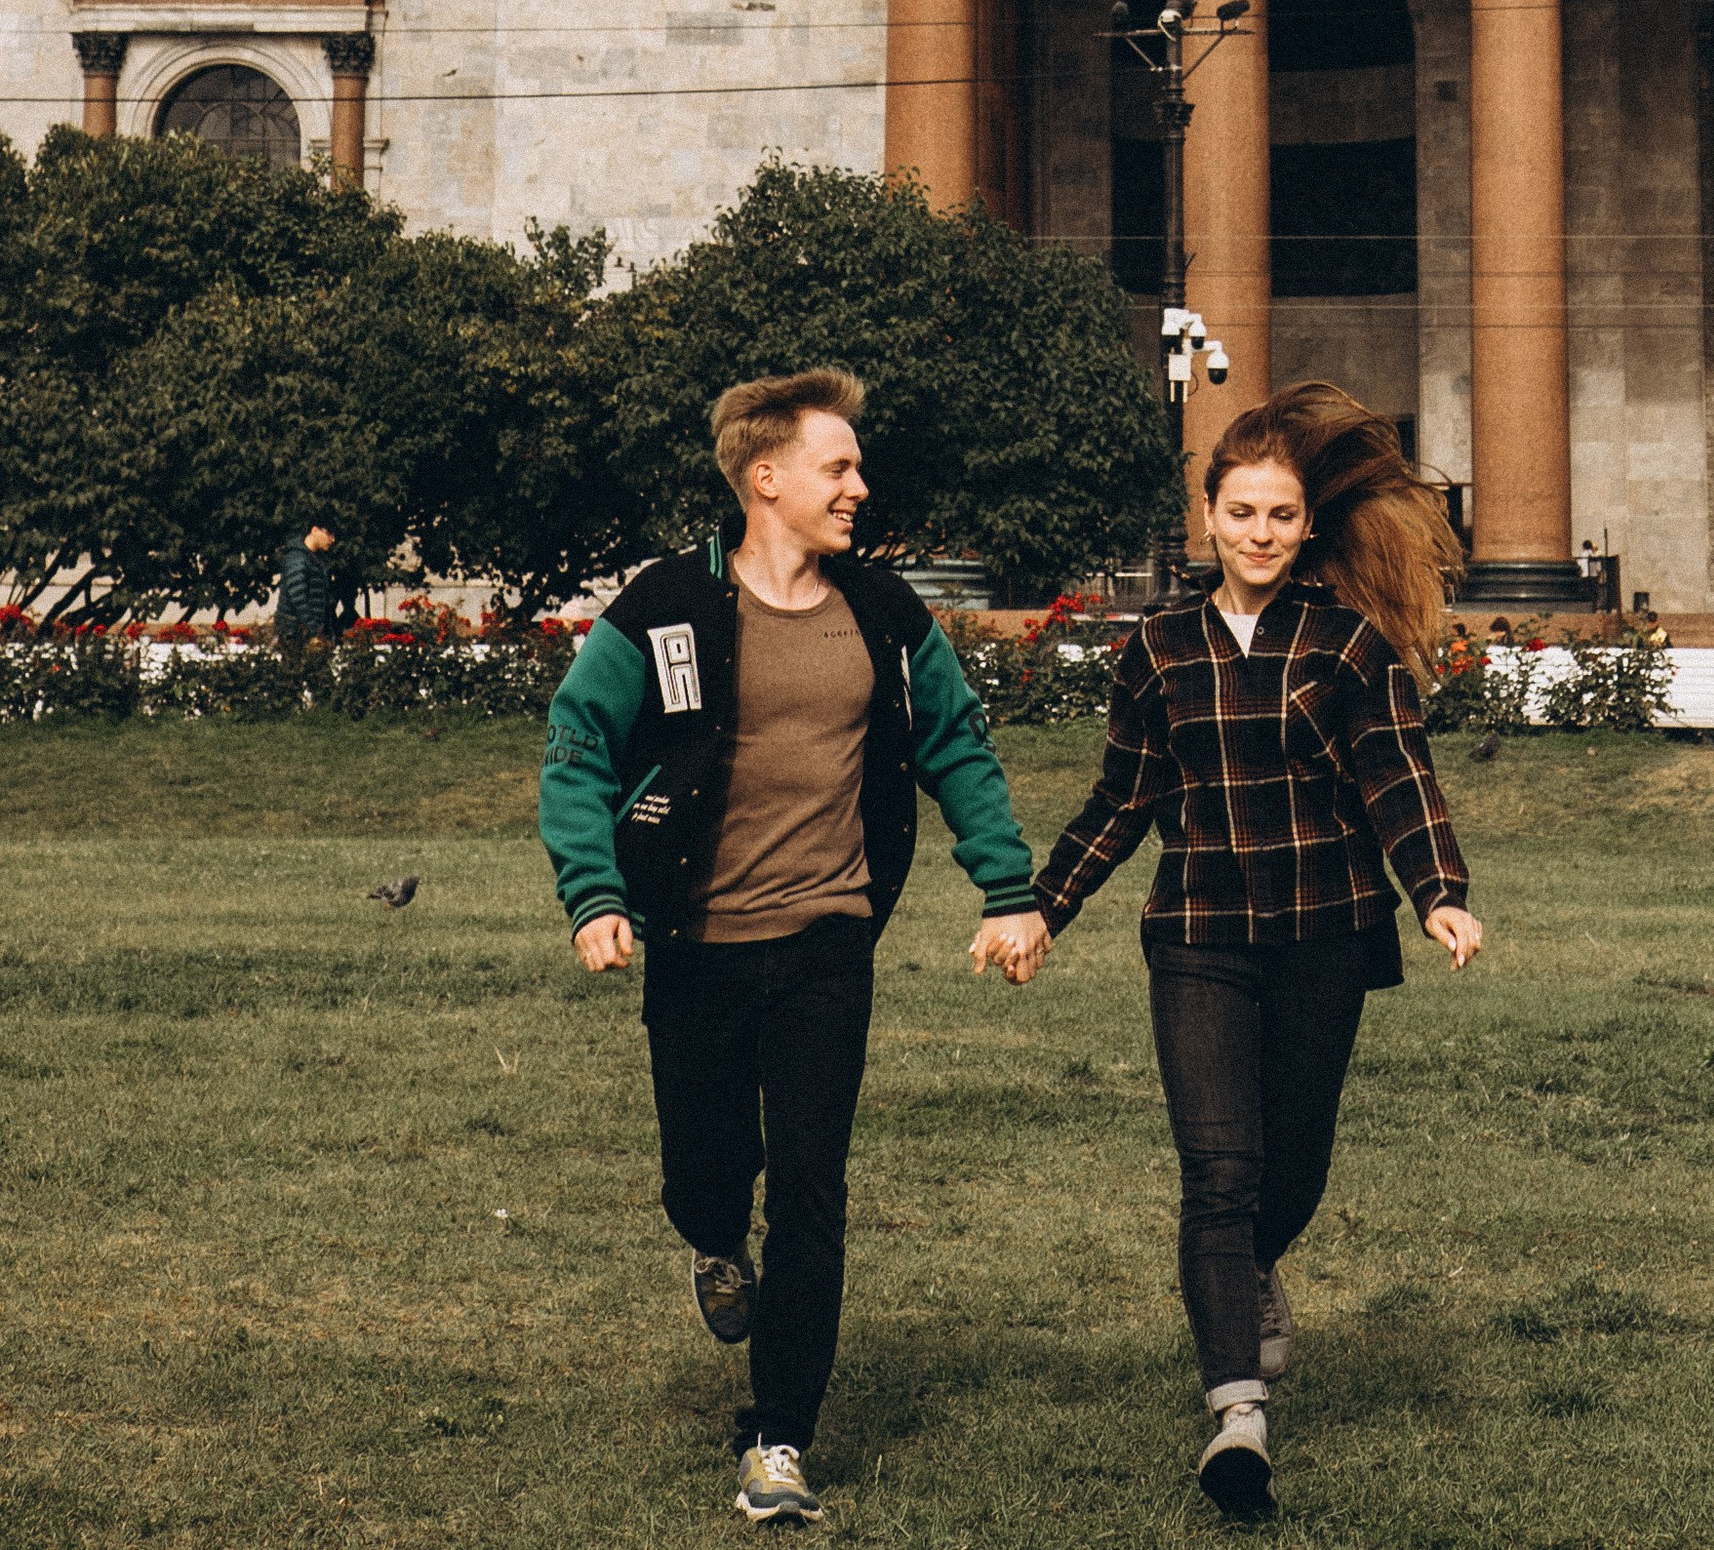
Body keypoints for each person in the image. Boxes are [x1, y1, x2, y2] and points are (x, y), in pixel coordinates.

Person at [538, 368, 1045, 1529]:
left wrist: (1007, 888)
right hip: (698, 946)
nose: (859, 487)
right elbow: (577, 751)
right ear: (765, 479)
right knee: (707, 1176)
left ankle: (779, 1438)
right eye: (839, 466)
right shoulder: (664, 607)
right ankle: (714, 1243)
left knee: (813, 1188)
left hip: (827, 940)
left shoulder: (884, 614)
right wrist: (595, 894)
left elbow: (956, 744)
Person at [1017, 385, 1481, 1524]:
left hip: (1327, 935)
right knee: (1217, 1175)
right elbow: (1120, 801)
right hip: (1200, 942)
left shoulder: (1348, 647)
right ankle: (1237, 1416)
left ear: (1305, 524)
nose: (1260, 534)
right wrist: (1039, 908)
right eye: (1241, 513)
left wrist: (1438, 895)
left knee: (1294, 1168)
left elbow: (1396, 781)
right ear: (1208, 516)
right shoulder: (1158, 649)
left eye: (1280, 516)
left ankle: (1250, 1274)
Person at [276, 521, 344, 652]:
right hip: (296, 634)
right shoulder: (298, 559)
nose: (333, 539)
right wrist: (315, 631)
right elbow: (298, 598)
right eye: (329, 533)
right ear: (314, 530)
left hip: (307, 633)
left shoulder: (314, 559)